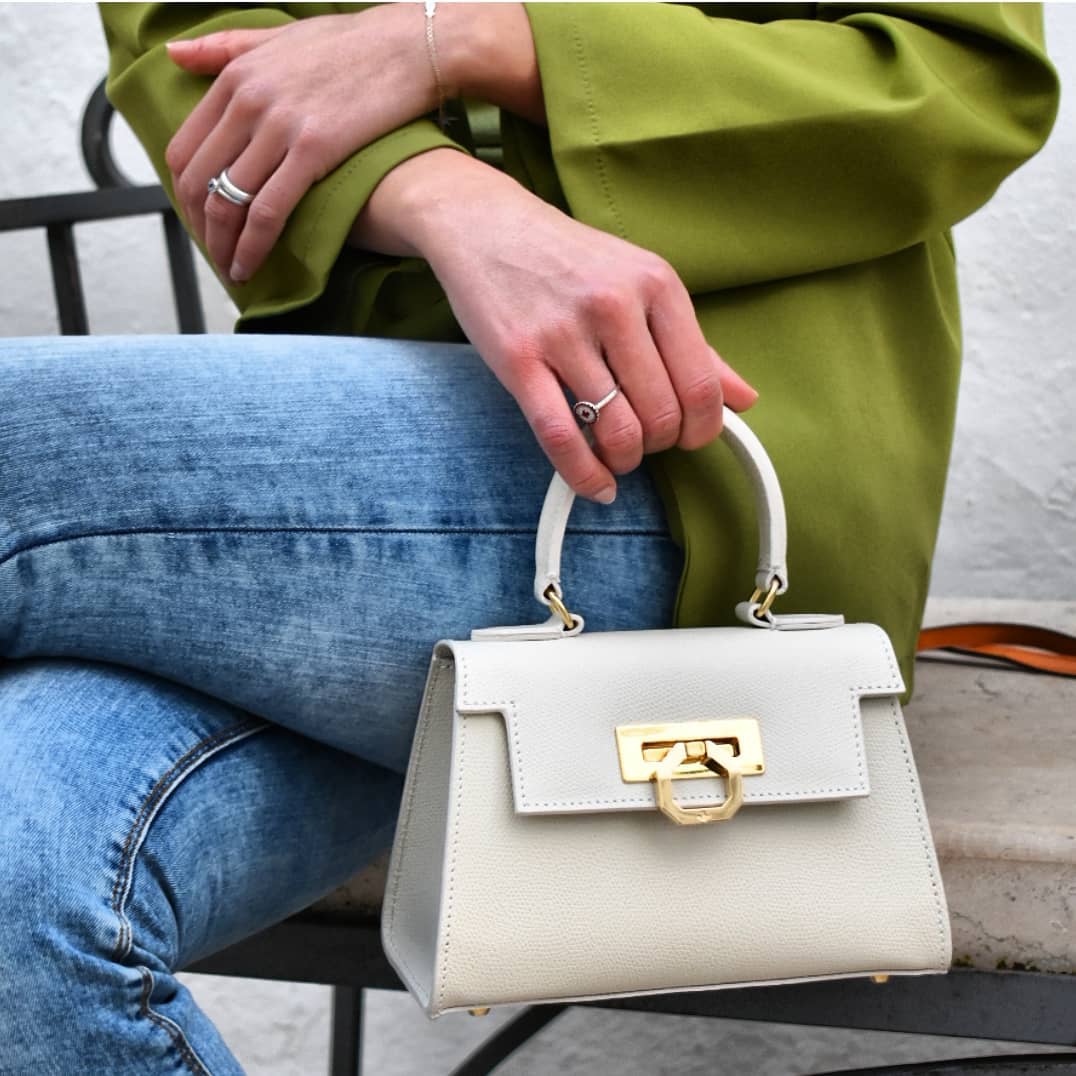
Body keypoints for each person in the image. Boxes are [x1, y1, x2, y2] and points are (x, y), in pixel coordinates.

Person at [0, 3, 1057, 1071]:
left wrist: (467, 40)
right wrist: (451, 202)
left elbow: (960, 84)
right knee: (18, 878)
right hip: (328, 481)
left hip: (704, 439)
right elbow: (196, 44)